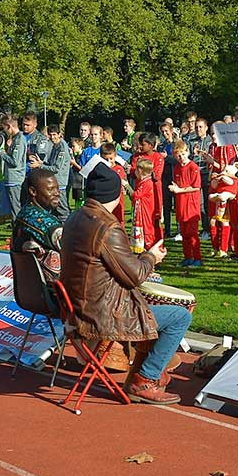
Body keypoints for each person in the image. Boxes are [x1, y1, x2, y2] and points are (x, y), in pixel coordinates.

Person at [60, 162, 186, 404]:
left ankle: (139, 377)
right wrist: (152, 256)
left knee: (148, 309)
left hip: (76, 307)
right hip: (102, 313)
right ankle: (145, 379)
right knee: (180, 317)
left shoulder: (75, 217)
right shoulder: (107, 227)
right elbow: (136, 275)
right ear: (117, 195)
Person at [12, 168, 65, 282]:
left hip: (31, 288)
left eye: (57, 188)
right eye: (51, 189)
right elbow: (75, 253)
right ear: (33, 191)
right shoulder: (50, 227)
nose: (57, 193)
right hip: (56, 291)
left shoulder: (23, 214)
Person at [168, 139, 203, 267]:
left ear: (187, 152)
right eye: (178, 155)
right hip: (181, 204)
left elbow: (196, 186)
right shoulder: (177, 167)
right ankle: (187, 256)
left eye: (183, 154)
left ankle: (197, 258)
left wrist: (179, 190)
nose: (181, 157)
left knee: (192, 233)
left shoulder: (193, 167)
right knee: (184, 233)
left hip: (191, 204)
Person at [130, 158, 159, 254]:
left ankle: (151, 255)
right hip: (142, 211)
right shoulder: (144, 182)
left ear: (140, 171)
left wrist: (126, 186)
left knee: (147, 233)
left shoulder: (147, 183)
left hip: (146, 213)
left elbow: (136, 195)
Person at [43, 126, 71, 215]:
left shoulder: (62, 148)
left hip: (60, 183)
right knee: (54, 209)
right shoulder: (55, 146)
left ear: (59, 135)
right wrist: (42, 163)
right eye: (50, 135)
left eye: (54, 135)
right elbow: (51, 164)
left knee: (62, 209)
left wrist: (40, 166)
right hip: (54, 182)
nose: (52, 137)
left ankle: (67, 227)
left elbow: (56, 168)